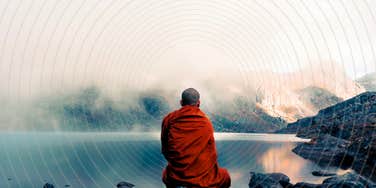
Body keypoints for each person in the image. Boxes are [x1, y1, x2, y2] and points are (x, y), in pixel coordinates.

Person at [161, 88, 231, 188]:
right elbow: (211, 153)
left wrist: (180, 164)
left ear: (181, 102)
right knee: (225, 176)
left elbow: (165, 150)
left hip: (176, 176)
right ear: (198, 103)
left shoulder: (169, 119)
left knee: (166, 174)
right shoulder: (205, 122)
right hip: (202, 177)